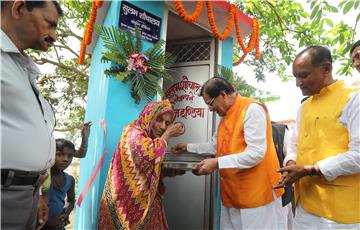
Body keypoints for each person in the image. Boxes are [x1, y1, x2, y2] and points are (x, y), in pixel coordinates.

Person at [172, 77, 285, 229]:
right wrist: (187, 147)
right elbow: (215, 146)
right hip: (232, 193)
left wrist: (217, 163)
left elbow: (256, 153)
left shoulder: (251, 109)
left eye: (210, 104)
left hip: (256, 193)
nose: (210, 109)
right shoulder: (225, 117)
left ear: (223, 95)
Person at [274, 45, 360, 228]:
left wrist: (310, 169)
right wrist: (290, 164)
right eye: (296, 77)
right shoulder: (304, 107)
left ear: (326, 69)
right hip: (304, 206)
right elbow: (294, 144)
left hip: (339, 214)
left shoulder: (353, 98)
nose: (298, 83)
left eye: (304, 75)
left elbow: (358, 156)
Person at [1, 1, 63, 230]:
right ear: (18, 8)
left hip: (27, 194)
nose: (54, 36)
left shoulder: (21, 68)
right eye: (49, 24)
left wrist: (36, 195)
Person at [98, 100, 185, 230]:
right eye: (159, 120)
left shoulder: (150, 139)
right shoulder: (132, 132)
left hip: (149, 206)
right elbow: (148, 153)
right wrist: (168, 135)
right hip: (123, 206)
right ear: (148, 116)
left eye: (167, 123)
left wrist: (166, 173)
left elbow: (144, 171)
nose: (162, 127)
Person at [41, 139, 76, 230]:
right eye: (59, 154)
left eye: (70, 156)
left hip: (58, 227)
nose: (66, 159)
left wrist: (66, 213)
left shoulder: (70, 180)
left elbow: (71, 201)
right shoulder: (42, 176)